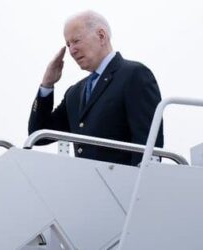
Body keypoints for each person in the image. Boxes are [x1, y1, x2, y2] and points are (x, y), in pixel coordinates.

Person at [28, 10, 163, 166]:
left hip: (124, 185)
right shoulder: (75, 93)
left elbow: (148, 143)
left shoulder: (134, 75)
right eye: (68, 44)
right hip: (88, 185)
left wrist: (136, 186)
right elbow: (39, 135)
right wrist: (47, 85)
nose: (72, 50)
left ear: (101, 36)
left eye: (76, 41)